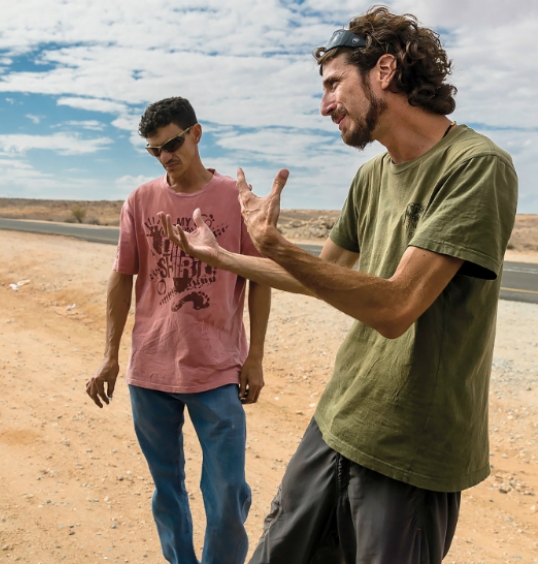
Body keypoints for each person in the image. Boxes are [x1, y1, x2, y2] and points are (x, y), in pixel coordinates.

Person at [159, 7, 518, 563]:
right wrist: (224, 256)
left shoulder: (475, 166)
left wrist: (274, 242)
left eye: (333, 85)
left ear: (383, 71)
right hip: (339, 419)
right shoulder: (372, 175)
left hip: (411, 448)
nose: (325, 104)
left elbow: (398, 308)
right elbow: (315, 275)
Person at [86, 97, 271, 564]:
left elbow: (259, 279)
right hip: (150, 370)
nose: (166, 155)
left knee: (228, 491)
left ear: (196, 133)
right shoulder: (140, 200)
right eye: (154, 150)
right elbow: (122, 277)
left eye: (172, 143)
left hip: (218, 368)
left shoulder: (233, 198)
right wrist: (110, 356)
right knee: (167, 490)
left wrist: (256, 357)